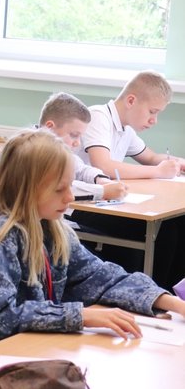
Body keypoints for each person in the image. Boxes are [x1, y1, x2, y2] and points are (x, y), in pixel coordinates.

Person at [0, 129, 185, 342]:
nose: (70, 197)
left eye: (70, 186)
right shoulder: (3, 237)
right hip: (2, 356)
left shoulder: (53, 230)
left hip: (41, 348)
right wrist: (81, 315)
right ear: (26, 189)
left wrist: (170, 302)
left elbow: (101, 277)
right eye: (59, 189)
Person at [73, 71, 185, 288]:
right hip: (83, 204)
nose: (154, 120)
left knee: (179, 222)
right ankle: (156, 293)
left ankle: (173, 295)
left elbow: (150, 158)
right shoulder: (98, 117)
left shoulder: (126, 130)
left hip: (109, 202)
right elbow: (103, 165)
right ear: (131, 101)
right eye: (152, 112)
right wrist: (157, 172)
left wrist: (179, 163)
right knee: (166, 231)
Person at [39, 92, 127, 201]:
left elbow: (81, 169)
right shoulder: (33, 151)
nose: (78, 143)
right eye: (74, 135)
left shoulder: (58, 151)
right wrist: (103, 191)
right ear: (49, 128)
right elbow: (59, 187)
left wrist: (101, 179)